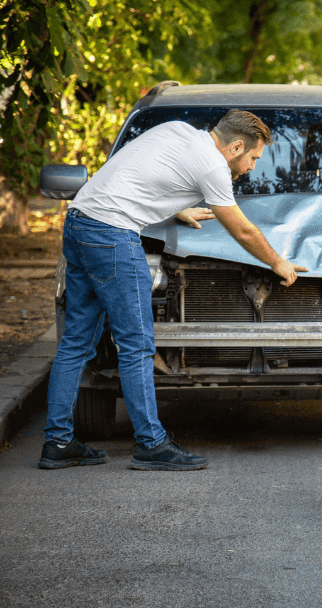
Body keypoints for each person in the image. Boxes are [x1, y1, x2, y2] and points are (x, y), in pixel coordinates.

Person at [38, 109, 307, 471]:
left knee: (76, 341)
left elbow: (144, 171)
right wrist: (278, 263)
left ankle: (57, 442)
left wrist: (178, 209)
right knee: (136, 344)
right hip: (113, 236)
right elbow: (242, 231)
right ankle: (152, 444)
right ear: (237, 146)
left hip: (80, 221)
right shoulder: (213, 166)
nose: (252, 167)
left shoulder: (179, 131)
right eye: (253, 158)